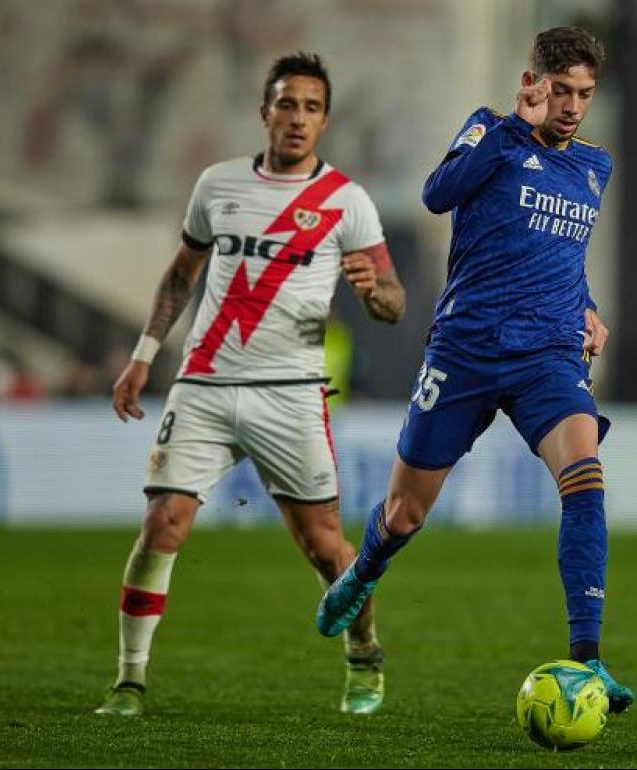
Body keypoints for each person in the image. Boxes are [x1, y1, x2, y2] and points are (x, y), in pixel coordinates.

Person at [316, 27, 634, 713]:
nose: (574, 105)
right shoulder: (490, 132)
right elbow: (437, 195)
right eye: (562, 90)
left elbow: (560, 253)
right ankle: (364, 572)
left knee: (585, 479)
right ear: (534, 82)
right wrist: (510, 127)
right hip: (465, 351)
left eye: (585, 93)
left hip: (547, 356)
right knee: (405, 513)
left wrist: (587, 307)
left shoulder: (593, 168)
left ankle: (589, 661)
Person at [96, 52, 406, 718]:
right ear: (264, 111)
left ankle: (364, 652)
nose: (298, 118)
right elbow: (181, 273)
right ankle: (128, 681)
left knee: (325, 548)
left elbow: (395, 303)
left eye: (312, 107)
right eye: (287, 104)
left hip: (289, 393)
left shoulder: (345, 201)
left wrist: (371, 287)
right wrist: (145, 353)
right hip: (203, 384)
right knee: (162, 522)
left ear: (326, 120)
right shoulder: (218, 183)